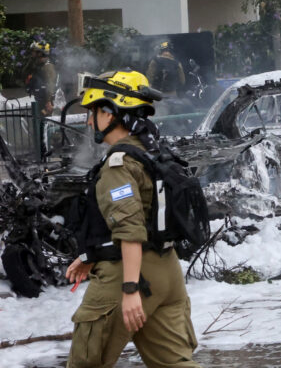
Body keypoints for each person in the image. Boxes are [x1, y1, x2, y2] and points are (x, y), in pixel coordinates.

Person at [65, 70, 200, 368]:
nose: (89, 121)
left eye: (93, 112)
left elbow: (130, 230)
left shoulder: (118, 164)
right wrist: (92, 255)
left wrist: (129, 290)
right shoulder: (153, 152)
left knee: (85, 364)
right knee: (175, 364)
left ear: (111, 111)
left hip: (129, 274)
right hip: (167, 272)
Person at [26, 41, 58, 116]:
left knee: (45, 122)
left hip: (46, 102)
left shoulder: (48, 66)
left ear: (40, 53)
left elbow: (51, 84)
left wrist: (48, 101)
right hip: (40, 99)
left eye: (35, 51)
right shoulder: (38, 66)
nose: (32, 53)